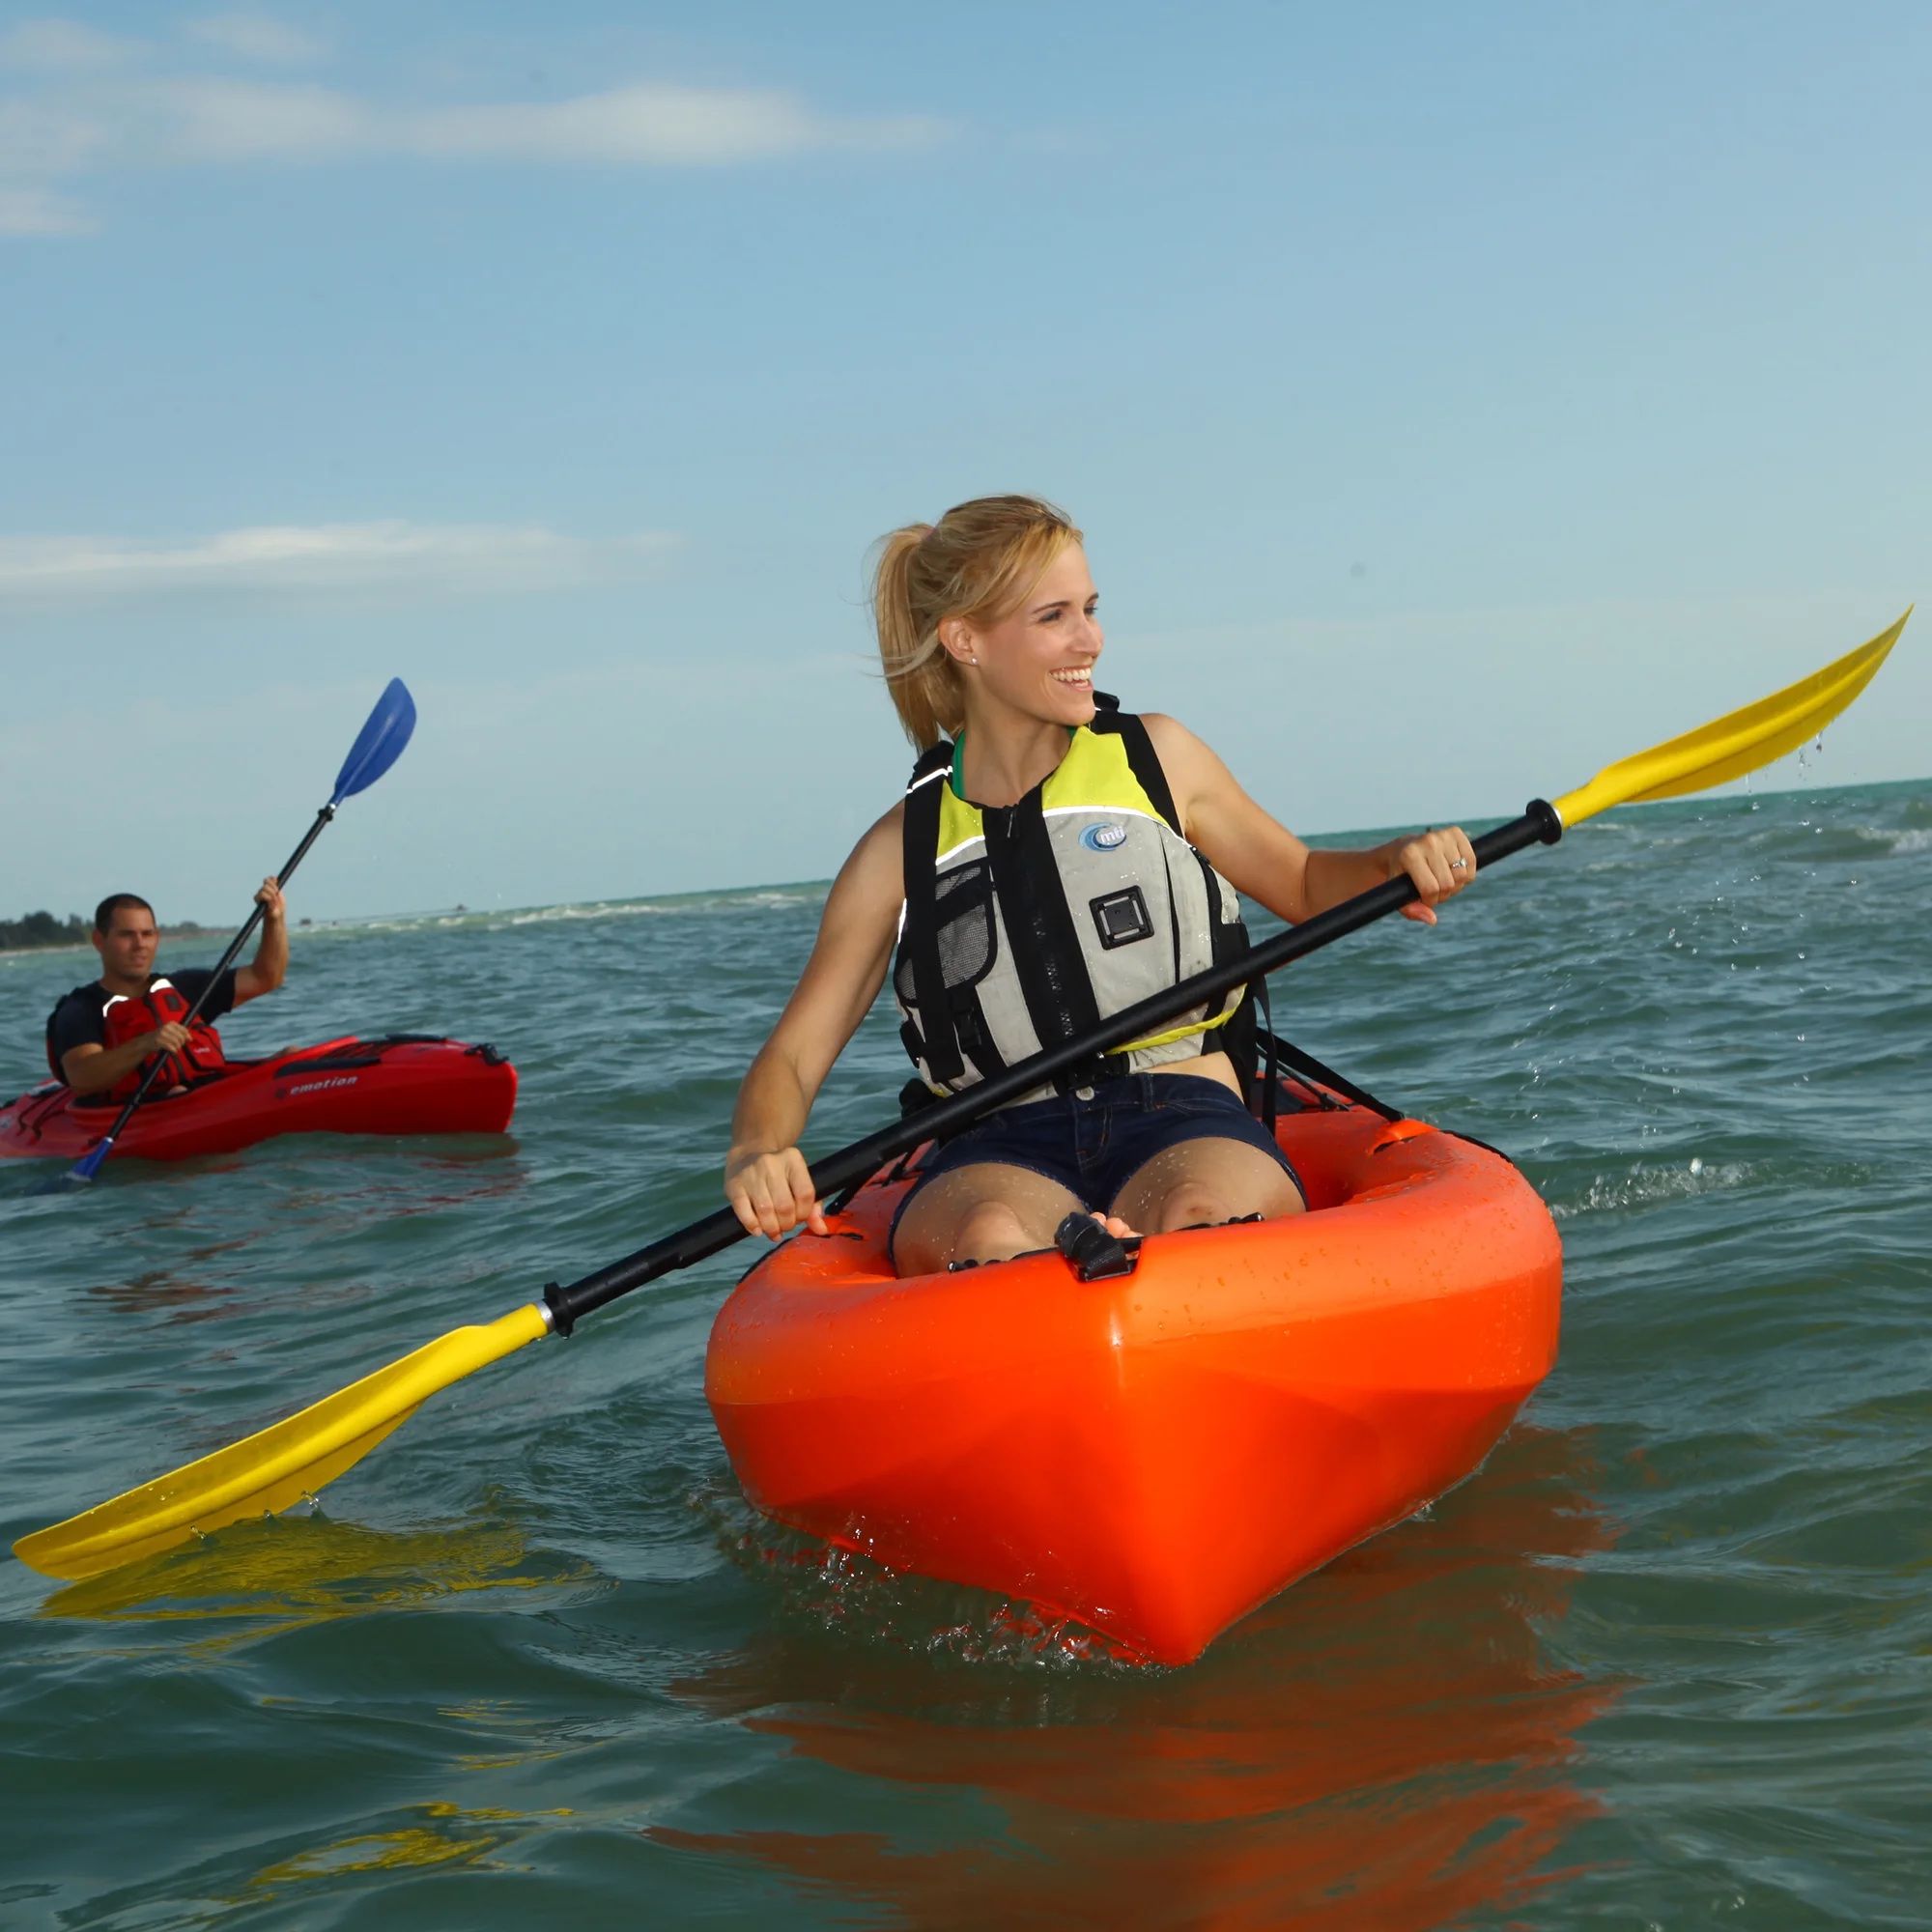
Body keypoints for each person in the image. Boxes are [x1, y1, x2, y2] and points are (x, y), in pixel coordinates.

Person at [724, 496, 1478, 1273]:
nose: (1092, 639)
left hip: (1182, 1110)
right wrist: (757, 1150)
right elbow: (791, 1060)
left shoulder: (1158, 758)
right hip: (996, 1144)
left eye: (1089, 609)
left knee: (1200, 1219)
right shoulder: (897, 851)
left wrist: (1392, 864)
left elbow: (1307, 881)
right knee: (988, 1240)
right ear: (965, 640)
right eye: (1054, 616)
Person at [45, 885, 289, 1102]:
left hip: (210, 1092)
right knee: (178, 1094)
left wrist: (274, 919)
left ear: (156, 938)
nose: (140, 944)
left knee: (291, 1055)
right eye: (126, 935)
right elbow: (82, 1077)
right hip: (144, 1109)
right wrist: (145, 1043)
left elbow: (265, 977)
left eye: (147, 934)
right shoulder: (81, 1008)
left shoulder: (183, 988)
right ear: (100, 941)